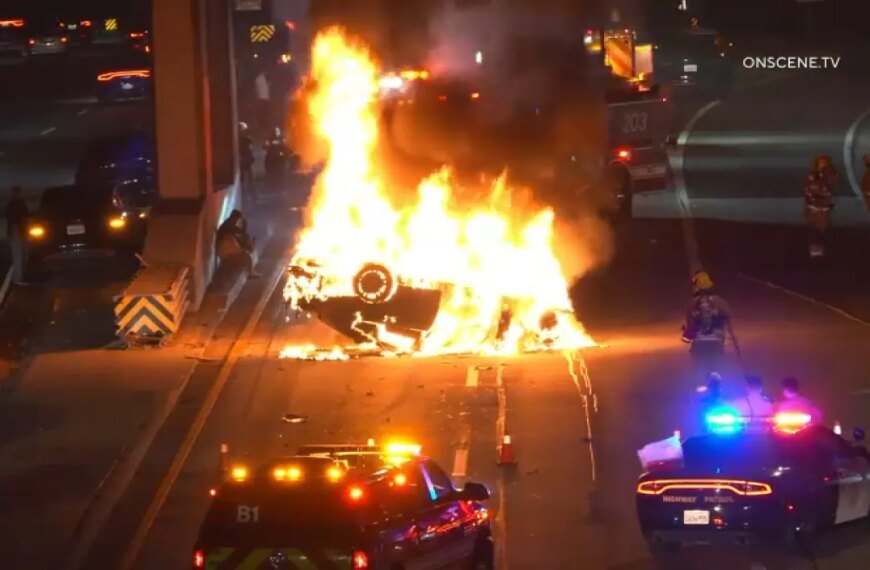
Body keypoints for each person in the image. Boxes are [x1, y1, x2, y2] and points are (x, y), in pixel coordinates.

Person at [683, 271, 738, 379]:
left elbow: (689, 323)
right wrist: (732, 337)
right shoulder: (720, 301)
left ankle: (701, 386)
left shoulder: (692, 304)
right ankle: (718, 383)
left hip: (699, 342)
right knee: (717, 366)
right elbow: (728, 319)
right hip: (717, 340)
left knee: (699, 367)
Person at [803, 155, 836, 258]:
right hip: (816, 208)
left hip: (819, 208)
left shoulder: (829, 176)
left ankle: (819, 248)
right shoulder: (812, 177)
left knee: (821, 228)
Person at [216, 210, 259, 278]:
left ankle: (250, 271)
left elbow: (239, 236)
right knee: (247, 257)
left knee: (246, 255)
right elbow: (241, 232)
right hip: (224, 251)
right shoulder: (228, 225)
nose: (236, 222)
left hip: (226, 250)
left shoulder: (228, 225)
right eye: (237, 219)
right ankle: (250, 273)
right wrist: (244, 221)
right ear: (234, 218)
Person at [6, 186, 29, 285]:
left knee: (20, 256)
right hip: (18, 232)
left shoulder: (18, 204)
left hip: (21, 232)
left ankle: (19, 277)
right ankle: (18, 278)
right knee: (18, 256)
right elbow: (14, 221)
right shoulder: (15, 205)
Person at [238, 122, 256, 201]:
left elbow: (249, 151)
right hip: (244, 164)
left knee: (248, 182)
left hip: (245, 164)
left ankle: (251, 197)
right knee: (246, 182)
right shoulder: (245, 140)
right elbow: (249, 151)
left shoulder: (244, 139)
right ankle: (249, 198)